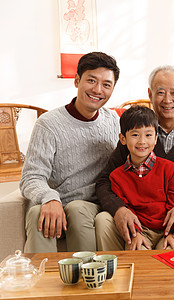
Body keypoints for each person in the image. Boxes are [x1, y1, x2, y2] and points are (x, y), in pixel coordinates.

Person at [95, 65, 174, 250]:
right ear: (150, 94)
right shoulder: (136, 135)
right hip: (139, 220)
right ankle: (120, 272)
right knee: (104, 218)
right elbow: (105, 181)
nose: (167, 100)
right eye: (160, 92)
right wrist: (119, 209)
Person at [20, 52, 120, 253]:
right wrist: (49, 197)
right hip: (60, 206)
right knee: (35, 213)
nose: (98, 90)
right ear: (76, 80)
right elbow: (31, 177)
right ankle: (41, 281)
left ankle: (85, 278)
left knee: (76, 210)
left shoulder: (113, 122)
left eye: (106, 85)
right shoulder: (49, 125)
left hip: (96, 207)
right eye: (91, 80)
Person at [95, 105, 174, 250]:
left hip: (166, 231)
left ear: (156, 138)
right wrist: (135, 233)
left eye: (148, 135)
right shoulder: (117, 176)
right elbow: (126, 209)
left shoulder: (169, 168)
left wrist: (172, 233)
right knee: (139, 254)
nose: (142, 141)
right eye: (135, 135)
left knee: (170, 253)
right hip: (140, 232)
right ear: (123, 139)